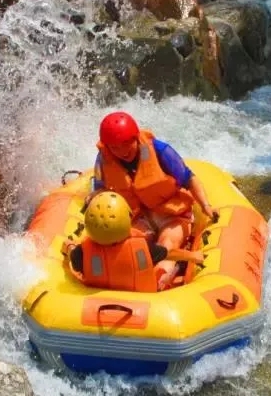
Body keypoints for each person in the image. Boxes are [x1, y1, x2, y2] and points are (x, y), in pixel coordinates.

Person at [86, 111, 218, 289]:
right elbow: (101, 190)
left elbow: (189, 179)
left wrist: (205, 206)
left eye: (127, 143)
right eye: (115, 147)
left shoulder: (160, 150)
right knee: (126, 247)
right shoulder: (104, 158)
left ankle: (162, 277)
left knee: (167, 245)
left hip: (173, 214)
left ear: (135, 137)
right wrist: (92, 198)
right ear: (107, 146)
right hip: (138, 217)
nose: (122, 151)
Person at [63, 191, 203, 292]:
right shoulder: (143, 249)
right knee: (164, 270)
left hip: (97, 294)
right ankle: (178, 269)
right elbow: (169, 253)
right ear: (125, 220)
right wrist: (193, 256)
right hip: (143, 295)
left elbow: (72, 253)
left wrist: (68, 246)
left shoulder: (80, 254)